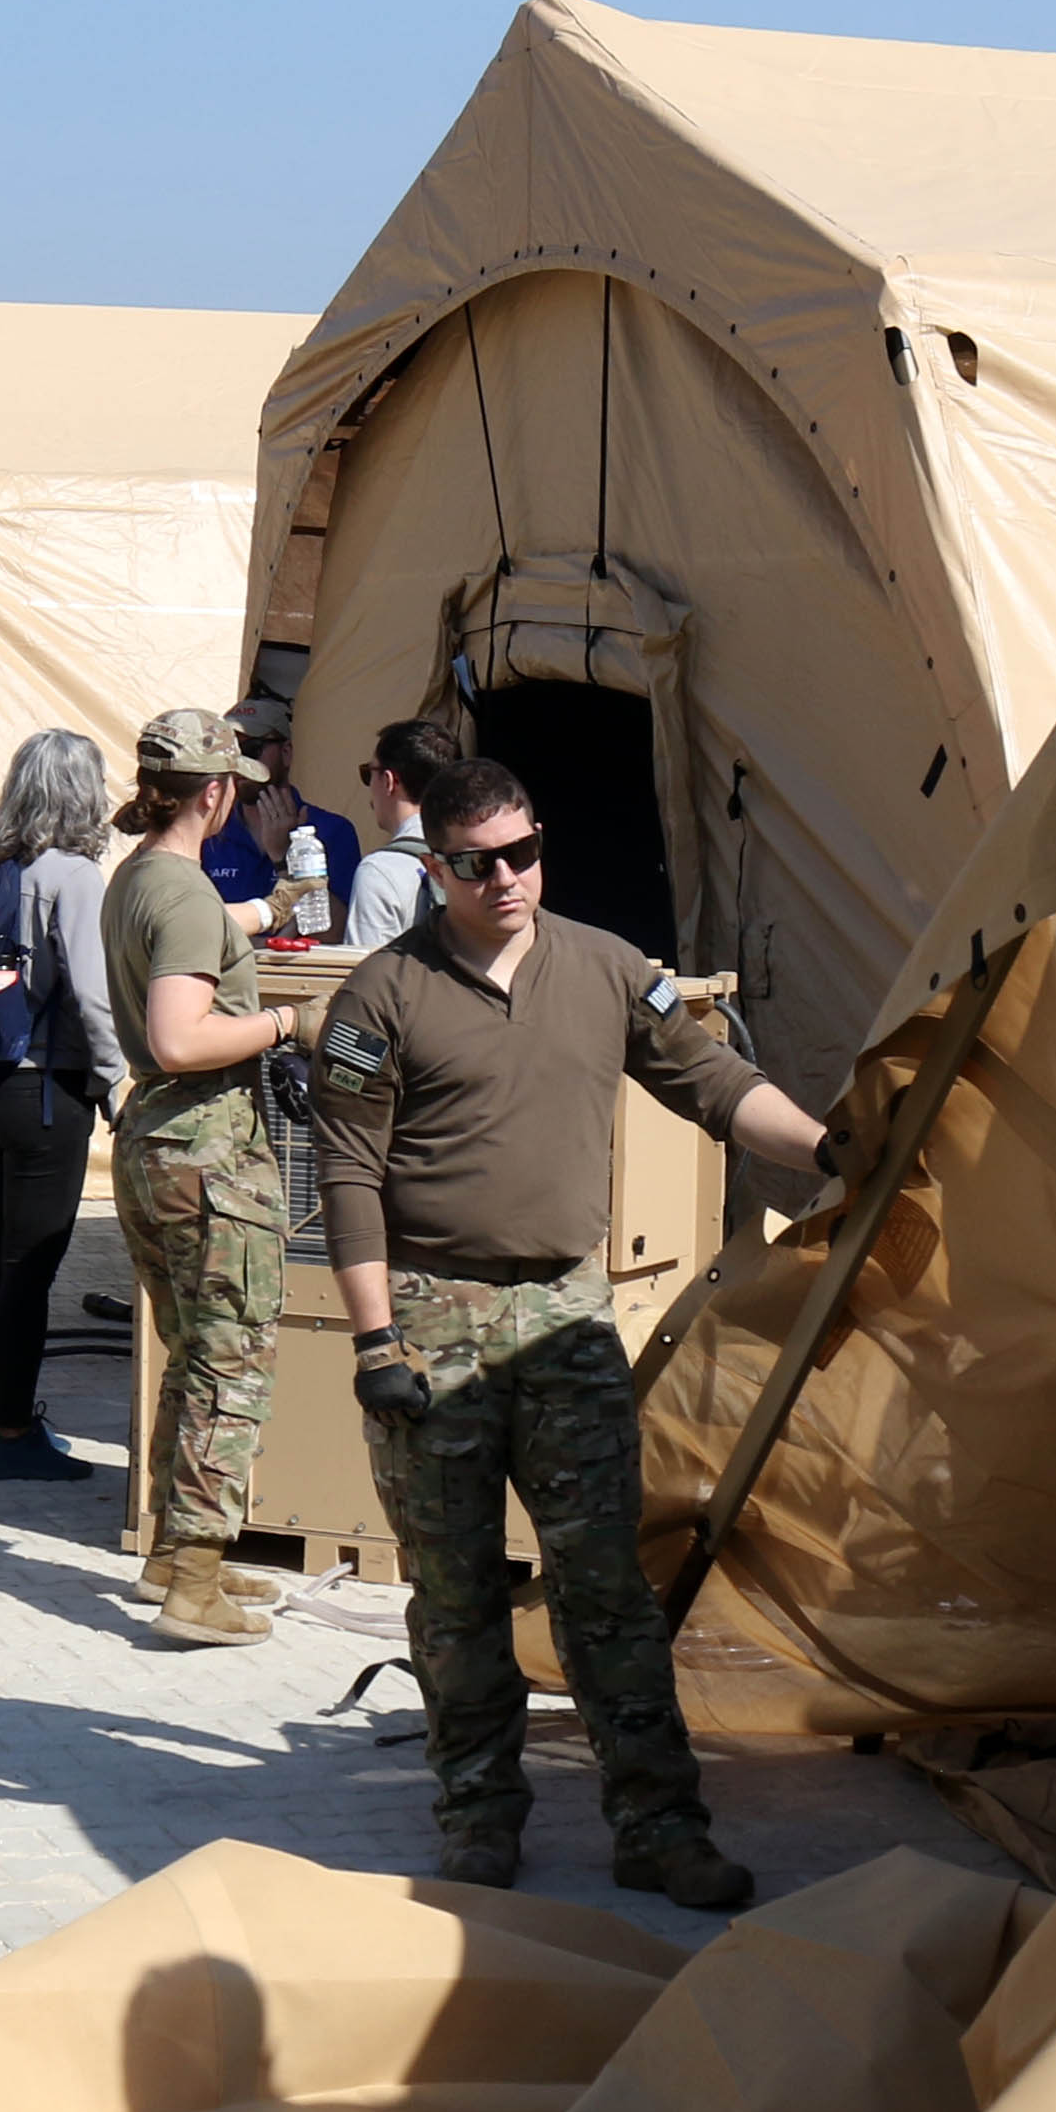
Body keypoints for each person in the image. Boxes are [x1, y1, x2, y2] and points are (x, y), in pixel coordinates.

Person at [314, 756, 841, 1908]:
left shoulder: (608, 969)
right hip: (433, 1316)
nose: (505, 878)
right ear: (436, 868)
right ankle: (478, 1814)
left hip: (564, 1317)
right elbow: (348, 1174)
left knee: (606, 1585)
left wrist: (823, 1147)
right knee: (455, 1595)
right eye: (476, 864)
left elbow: (712, 1082)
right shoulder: (382, 998)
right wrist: (374, 1343)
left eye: (523, 853)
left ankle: (658, 1825)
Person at [100, 707, 303, 1646]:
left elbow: (201, 941)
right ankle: (195, 1585)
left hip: (158, 1142)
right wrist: (286, 1024)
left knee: (191, 1353)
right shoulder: (180, 891)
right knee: (231, 1361)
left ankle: (176, 1555)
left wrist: (274, 910)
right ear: (216, 793)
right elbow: (182, 1037)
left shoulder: (141, 876)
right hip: (208, 1151)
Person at [0, 728, 128, 1485]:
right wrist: (118, 1083)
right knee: (30, 1269)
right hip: (46, 1092)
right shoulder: (74, 877)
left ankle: (8, 1414)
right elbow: (92, 994)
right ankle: (12, 1434)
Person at [334, 719, 451, 954]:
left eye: (368, 773)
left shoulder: (380, 871)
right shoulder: (472, 856)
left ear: (388, 781)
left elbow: (366, 970)